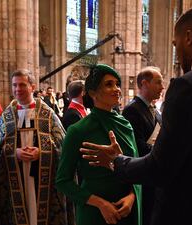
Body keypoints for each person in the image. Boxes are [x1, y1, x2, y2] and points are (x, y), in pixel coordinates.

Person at [80, 6, 192, 225]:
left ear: (188, 37)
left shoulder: (188, 85)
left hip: (183, 213)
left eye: (176, 43)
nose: (177, 51)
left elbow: (159, 168)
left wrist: (116, 161)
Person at [56, 64, 142, 225]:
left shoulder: (125, 125)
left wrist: (132, 196)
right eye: (109, 84)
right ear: (93, 93)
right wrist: (100, 204)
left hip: (126, 209)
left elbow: (136, 168)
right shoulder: (78, 130)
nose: (117, 89)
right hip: (94, 213)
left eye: (117, 84)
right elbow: (62, 181)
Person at [0, 69, 74, 225]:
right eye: (14, 85)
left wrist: (42, 152)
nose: (17, 89)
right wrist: (13, 152)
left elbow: (64, 147)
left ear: (32, 87)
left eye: (22, 85)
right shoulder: (7, 116)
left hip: (43, 180)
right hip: (14, 179)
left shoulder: (47, 114)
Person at [121, 66, 164, 225]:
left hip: (155, 172)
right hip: (142, 173)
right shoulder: (132, 110)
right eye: (158, 82)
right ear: (144, 84)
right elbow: (135, 144)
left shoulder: (156, 111)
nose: (162, 87)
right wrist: (161, 152)